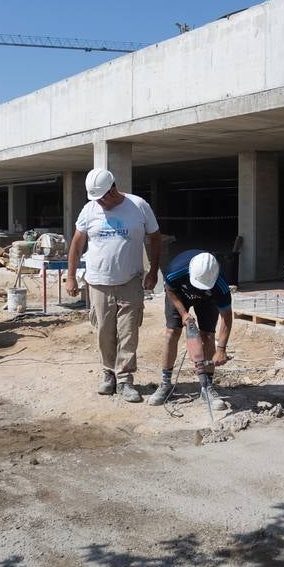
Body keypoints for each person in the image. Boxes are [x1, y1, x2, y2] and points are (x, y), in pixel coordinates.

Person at [64, 168, 161, 403]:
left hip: (130, 281)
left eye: (102, 198)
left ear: (113, 189)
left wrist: (154, 272)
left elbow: (155, 237)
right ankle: (108, 374)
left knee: (128, 332)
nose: (100, 203)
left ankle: (125, 380)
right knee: (104, 331)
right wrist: (70, 276)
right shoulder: (89, 209)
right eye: (95, 199)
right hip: (97, 283)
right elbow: (77, 244)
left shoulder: (138, 206)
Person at [148, 250, 233, 409]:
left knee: (207, 336)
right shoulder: (176, 270)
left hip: (207, 300)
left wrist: (221, 349)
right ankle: (165, 384)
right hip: (179, 295)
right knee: (172, 333)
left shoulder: (220, 284)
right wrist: (184, 313)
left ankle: (207, 386)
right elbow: (170, 290)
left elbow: (227, 317)